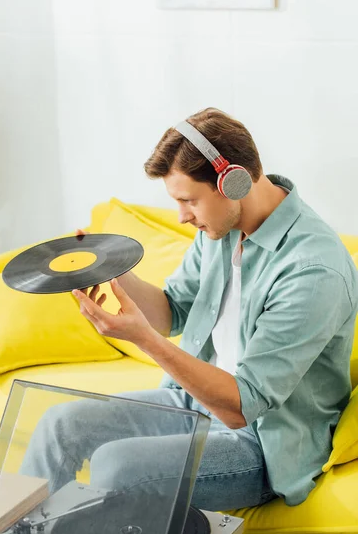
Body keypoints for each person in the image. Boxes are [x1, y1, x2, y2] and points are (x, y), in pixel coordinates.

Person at [21, 107, 358, 511]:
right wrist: (109, 270)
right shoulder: (219, 231)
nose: (182, 216)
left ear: (234, 182)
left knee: (118, 465)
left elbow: (241, 406)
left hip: (262, 441)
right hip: (193, 403)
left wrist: (141, 339)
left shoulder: (311, 269)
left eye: (188, 201)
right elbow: (172, 312)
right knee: (59, 426)